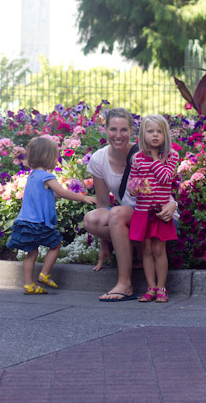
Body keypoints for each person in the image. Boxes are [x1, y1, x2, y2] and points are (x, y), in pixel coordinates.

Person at [83, 107, 178, 302]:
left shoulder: (148, 151)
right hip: (136, 211)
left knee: (117, 214)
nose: (118, 135)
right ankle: (135, 258)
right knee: (92, 219)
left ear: (133, 131)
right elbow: (102, 204)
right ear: (105, 129)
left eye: (124, 130)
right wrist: (104, 242)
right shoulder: (100, 159)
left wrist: (173, 204)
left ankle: (127, 281)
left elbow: (166, 186)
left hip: (159, 212)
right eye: (113, 129)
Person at [6, 136, 96, 294]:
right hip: (39, 223)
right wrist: (83, 197)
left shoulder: (32, 176)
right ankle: (45, 274)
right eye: (55, 156)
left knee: (31, 252)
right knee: (55, 244)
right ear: (47, 158)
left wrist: (57, 196)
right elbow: (61, 191)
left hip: (26, 222)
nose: (57, 160)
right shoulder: (47, 176)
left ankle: (29, 284)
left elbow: (48, 195)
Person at [128, 114, 178, 303]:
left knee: (159, 249)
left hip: (160, 213)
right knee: (146, 250)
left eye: (159, 132)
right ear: (143, 134)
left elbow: (166, 178)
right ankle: (151, 288)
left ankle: (162, 288)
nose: (155, 135)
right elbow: (132, 186)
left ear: (165, 135)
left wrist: (156, 158)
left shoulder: (171, 156)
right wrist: (135, 187)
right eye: (150, 131)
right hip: (142, 211)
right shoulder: (137, 158)